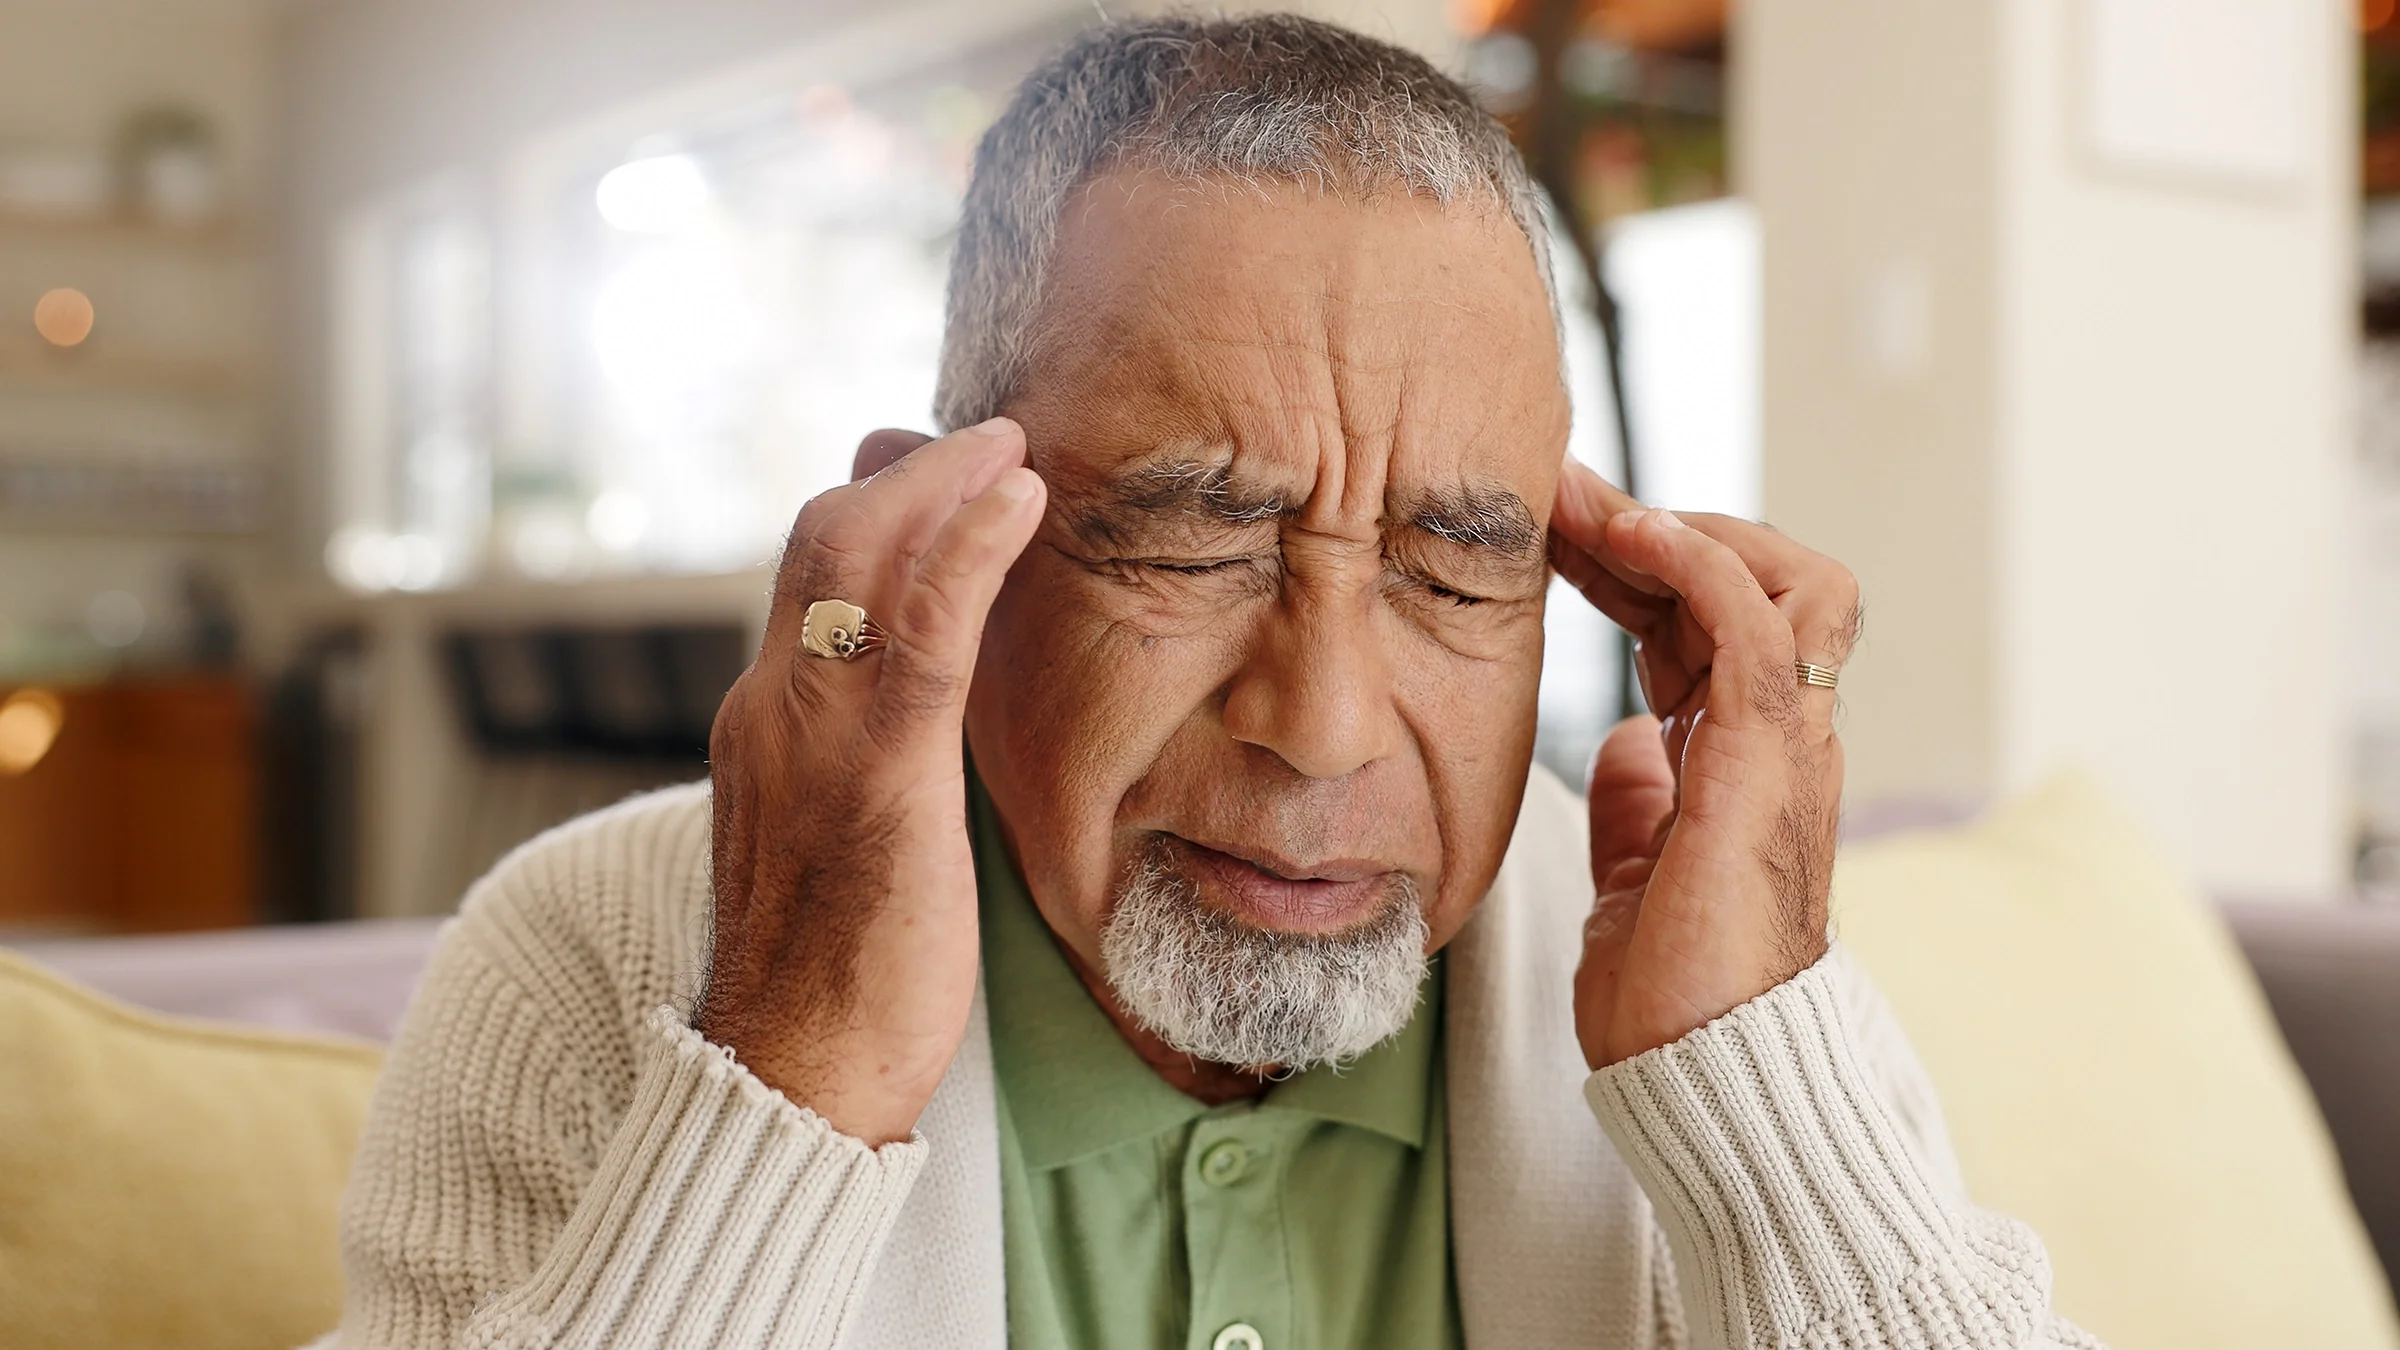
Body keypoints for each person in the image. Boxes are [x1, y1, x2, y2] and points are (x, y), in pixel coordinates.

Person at [324, 15, 2102, 1350]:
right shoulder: (603, 958)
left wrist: (1757, 1099)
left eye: (1453, 565)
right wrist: (793, 1069)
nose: (1321, 725)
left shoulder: (1714, 982)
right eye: (1190, 545)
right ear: (930, 535)